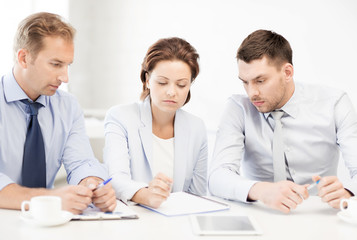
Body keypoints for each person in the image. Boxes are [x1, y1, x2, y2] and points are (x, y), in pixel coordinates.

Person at [209, 29, 357, 213]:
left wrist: (348, 192)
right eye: (245, 82)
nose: (251, 92)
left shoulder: (334, 103)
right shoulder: (239, 108)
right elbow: (217, 177)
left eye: (260, 80)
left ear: (287, 72)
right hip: (262, 213)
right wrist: (262, 191)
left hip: (321, 214)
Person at [0, 12, 116, 214]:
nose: (65, 77)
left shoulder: (67, 106)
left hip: (48, 221)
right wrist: (48, 198)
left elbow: (81, 161)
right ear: (24, 58)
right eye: (56, 64)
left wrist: (93, 184)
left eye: (67, 65)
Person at [104, 37, 207, 208]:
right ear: (147, 80)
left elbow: (197, 195)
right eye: (162, 82)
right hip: (135, 220)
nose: (171, 92)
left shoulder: (196, 128)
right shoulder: (120, 117)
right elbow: (115, 179)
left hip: (179, 222)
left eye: (181, 85)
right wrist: (145, 195)